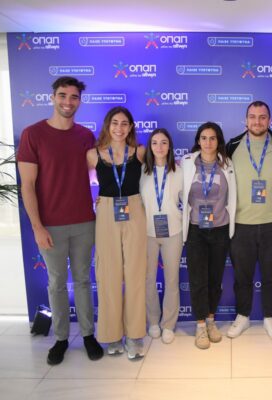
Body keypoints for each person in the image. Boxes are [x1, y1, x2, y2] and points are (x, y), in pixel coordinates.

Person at [17, 76, 103, 365]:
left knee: (83, 280)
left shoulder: (85, 135)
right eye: (63, 95)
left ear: (80, 101)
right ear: (52, 97)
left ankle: (89, 335)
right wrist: (37, 227)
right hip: (50, 225)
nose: (68, 101)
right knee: (56, 283)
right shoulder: (33, 134)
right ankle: (62, 339)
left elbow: (99, 172)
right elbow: (27, 186)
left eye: (74, 97)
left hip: (84, 222)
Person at [225, 101, 272, 340]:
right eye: (253, 117)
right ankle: (242, 316)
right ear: (246, 120)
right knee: (242, 276)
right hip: (240, 222)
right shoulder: (232, 146)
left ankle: (269, 318)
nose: (257, 121)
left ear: (269, 121)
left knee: (270, 276)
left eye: (262, 117)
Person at [86, 106, 147, 360]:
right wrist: (94, 202)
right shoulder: (93, 154)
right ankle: (112, 334)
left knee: (135, 274)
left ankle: (134, 335)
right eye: (115, 123)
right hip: (107, 212)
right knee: (108, 274)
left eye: (124, 123)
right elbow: (75, 182)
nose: (119, 128)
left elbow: (161, 173)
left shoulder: (140, 152)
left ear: (130, 127)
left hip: (134, 209)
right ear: (107, 126)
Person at [182, 122, 236, 349]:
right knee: (198, 280)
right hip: (196, 229)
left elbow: (233, 196)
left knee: (215, 279)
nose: (208, 142)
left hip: (220, 229)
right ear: (198, 140)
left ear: (218, 141)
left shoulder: (227, 164)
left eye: (212, 138)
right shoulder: (187, 163)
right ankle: (200, 325)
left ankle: (211, 320)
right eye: (203, 138)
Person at [140, 128, 184, 345]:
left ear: (170, 146)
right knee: (149, 279)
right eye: (155, 142)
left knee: (172, 279)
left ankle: (168, 324)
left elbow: (188, 200)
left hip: (173, 232)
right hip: (147, 233)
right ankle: (153, 321)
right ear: (150, 146)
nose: (159, 147)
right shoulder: (142, 172)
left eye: (164, 142)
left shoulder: (179, 171)